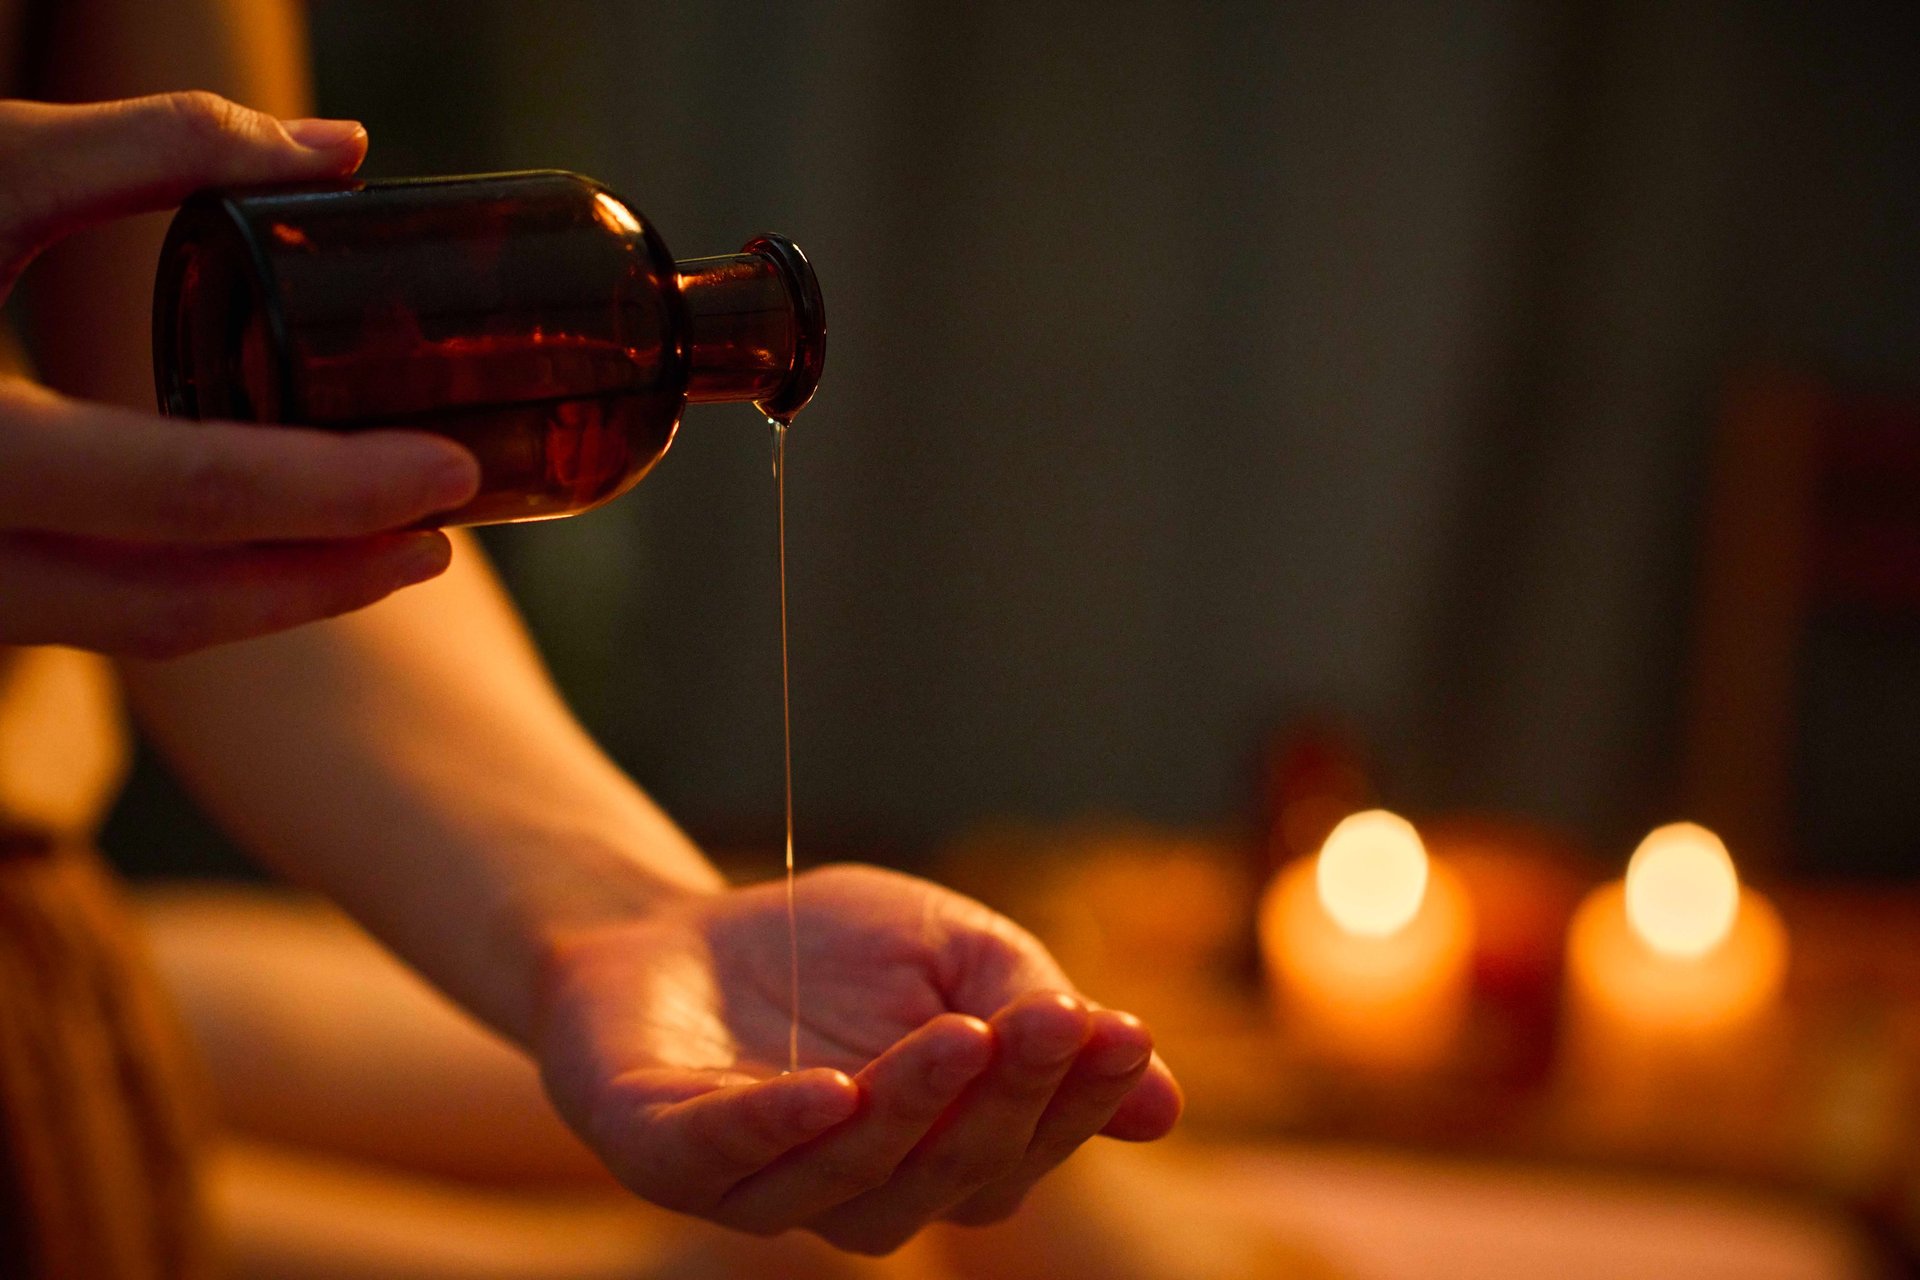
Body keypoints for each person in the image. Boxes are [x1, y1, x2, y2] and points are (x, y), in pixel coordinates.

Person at [0, 7, 1180, 1278]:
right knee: (808, 1264)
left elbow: (234, 500)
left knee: (1047, 1209)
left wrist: (631, 918)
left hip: (44, 958)